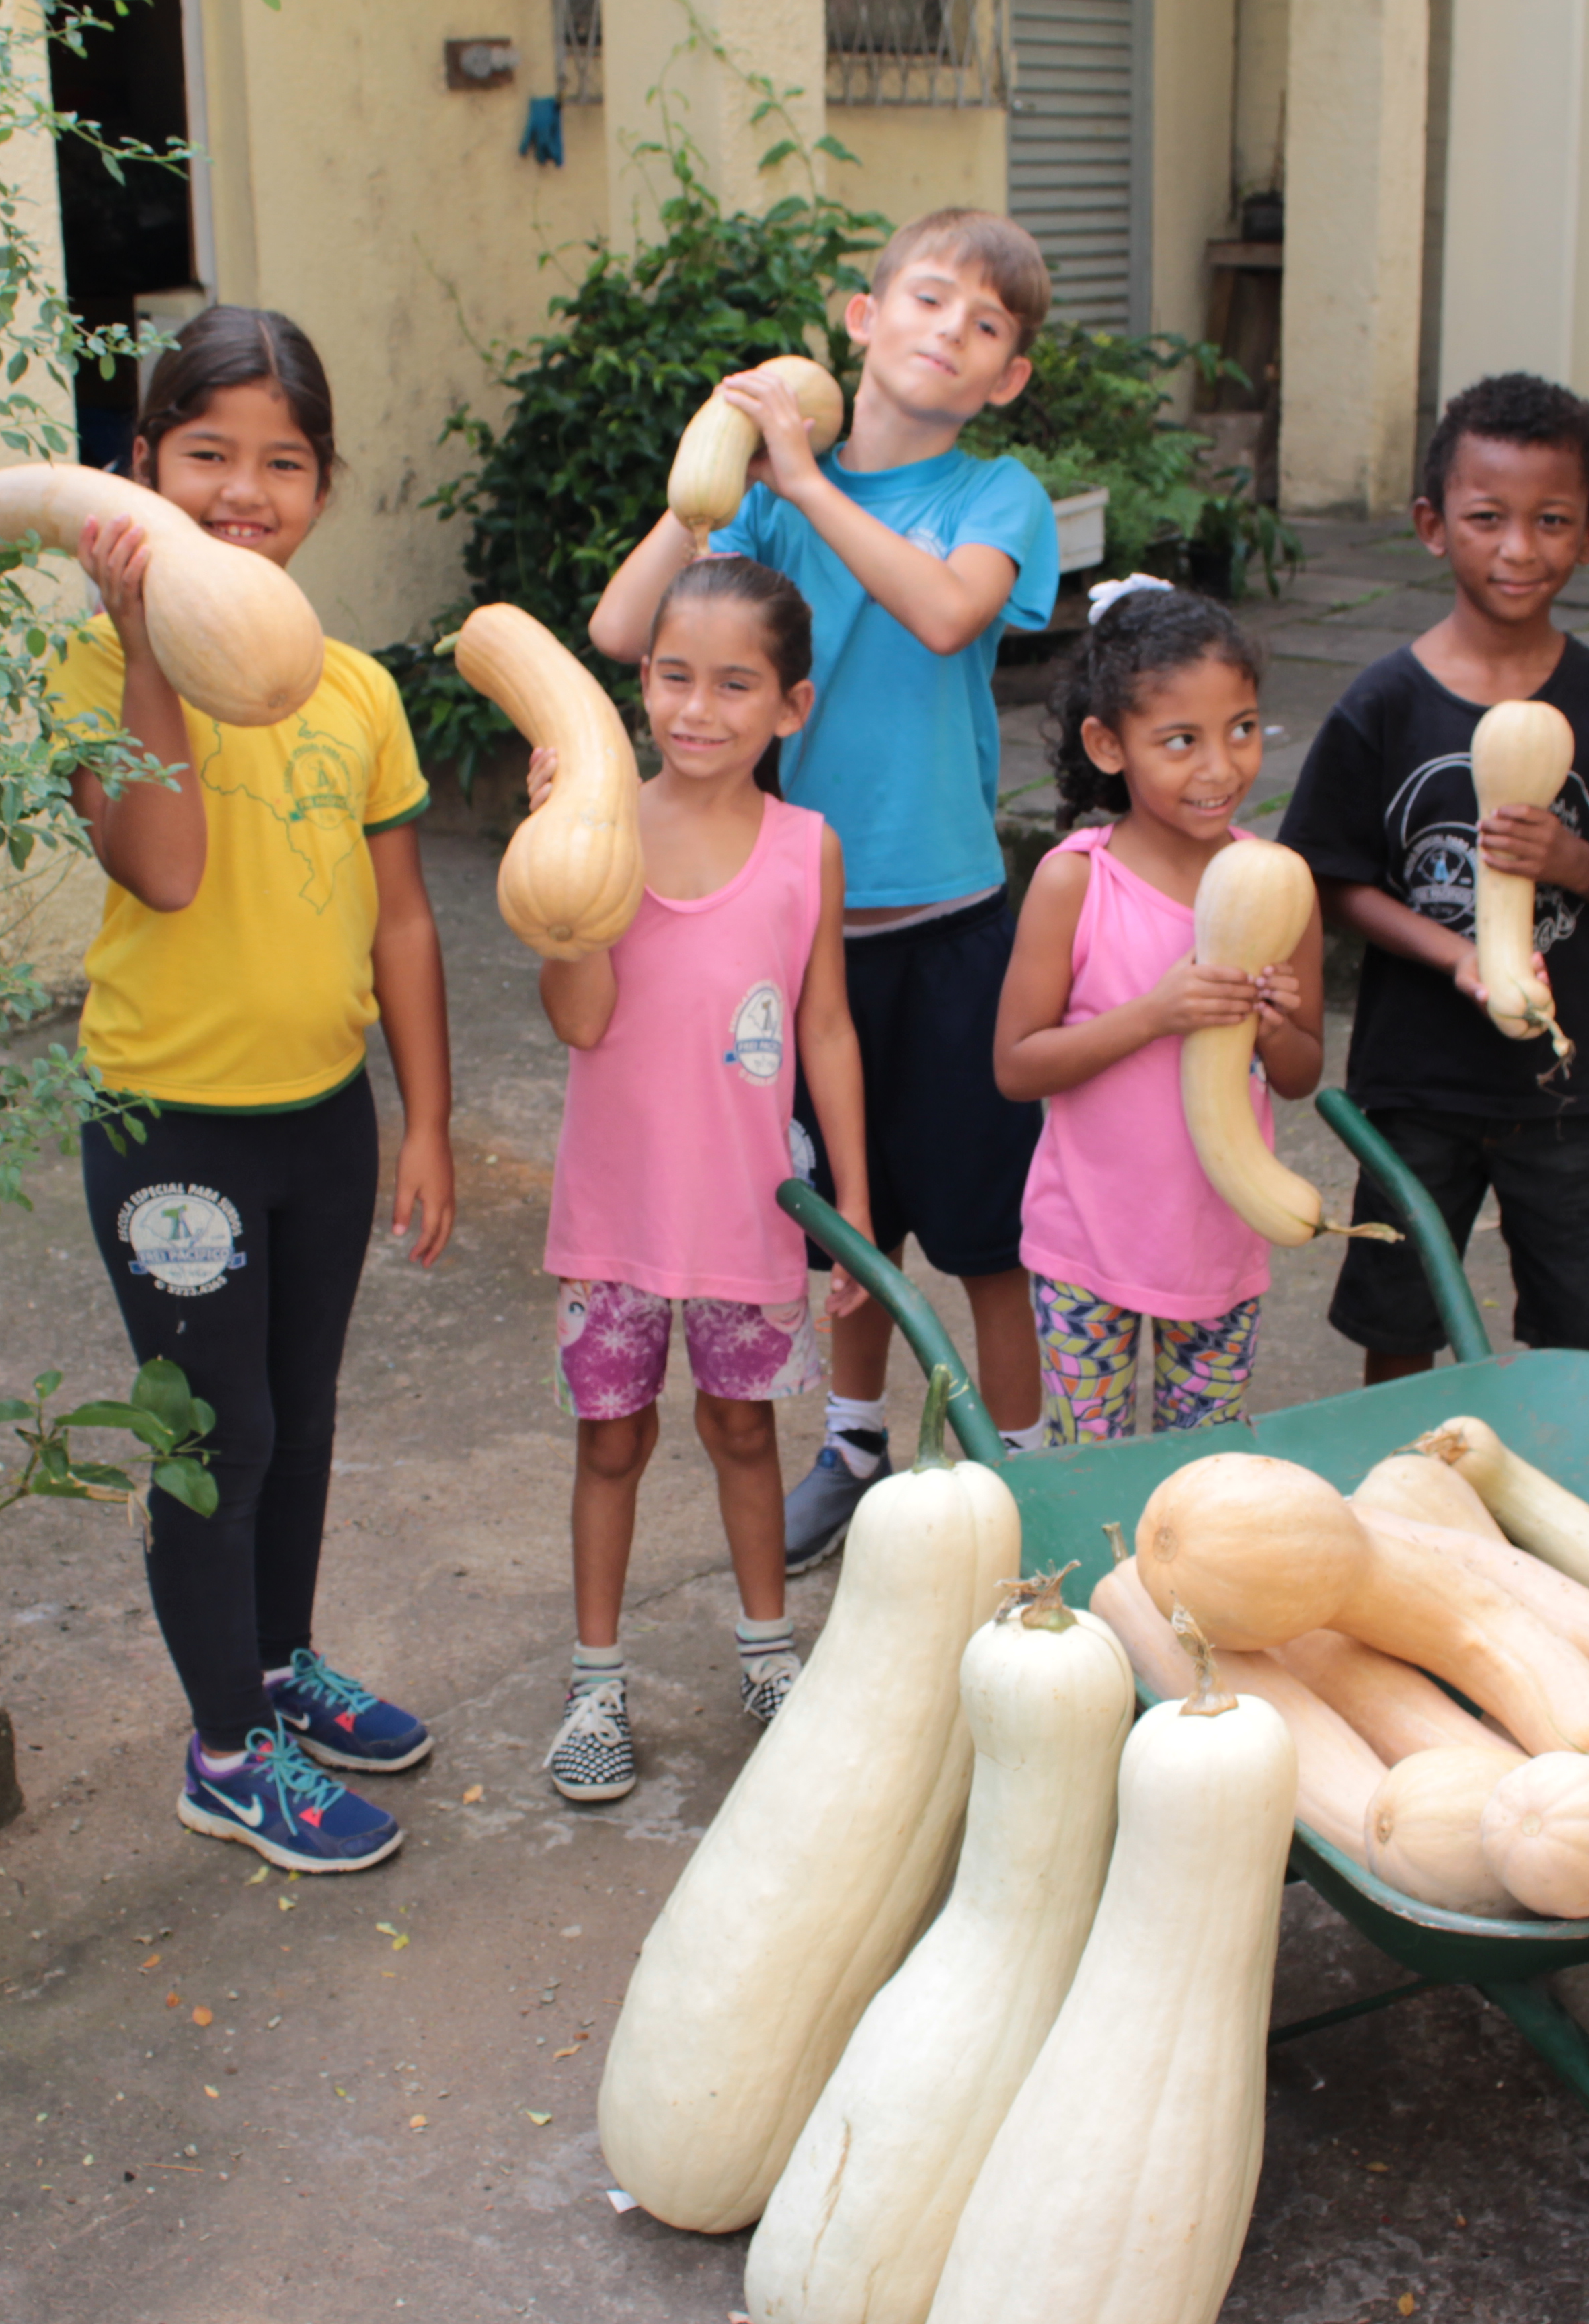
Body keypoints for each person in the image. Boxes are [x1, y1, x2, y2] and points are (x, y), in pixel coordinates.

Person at [587, 208, 1062, 1572]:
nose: (948, 335)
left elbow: (946, 613)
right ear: (861, 320)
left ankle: (1022, 1472)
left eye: (986, 328)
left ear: (1005, 378)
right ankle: (856, 1446)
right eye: (925, 301)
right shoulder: (759, 496)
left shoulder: (994, 495)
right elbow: (626, 634)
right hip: (790, 934)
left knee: (984, 1228)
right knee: (852, 1223)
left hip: (948, 920)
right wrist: (718, 477)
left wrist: (804, 485)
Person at [53, 307, 456, 1873]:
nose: (244, 487)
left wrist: (423, 1113)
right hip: (173, 1134)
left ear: (321, 486)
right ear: (141, 465)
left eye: (281, 460)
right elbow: (159, 863)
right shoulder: (93, 664)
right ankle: (225, 1753)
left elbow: (406, 915)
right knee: (212, 1437)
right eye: (206, 451)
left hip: (321, 1120)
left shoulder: (353, 687)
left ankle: (277, 1673)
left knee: (294, 1421)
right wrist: (150, 633)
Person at [1277, 372, 1589, 1382]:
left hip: (1568, 1083)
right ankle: (1405, 1492)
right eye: (1487, 518)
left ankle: (1557, 1486)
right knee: (1402, 1311)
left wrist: (1573, 861)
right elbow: (1331, 886)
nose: (1520, 548)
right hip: (1415, 1076)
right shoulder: (1382, 705)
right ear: (1434, 525)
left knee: (1577, 1328)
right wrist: (1460, 956)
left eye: (1551, 520)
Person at [533, 559, 872, 1804]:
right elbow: (577, 1020)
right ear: (640, 683)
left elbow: (826, 1029)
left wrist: (856, 1207)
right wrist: (559, 875)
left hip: (747, 1212)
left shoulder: (805, 849)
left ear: (790, 707)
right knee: (608, 1444)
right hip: (613, 1216)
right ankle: (594, 1686)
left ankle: (767, 1657)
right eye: (674, 677)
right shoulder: (598, 823)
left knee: (744, 1432)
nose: (697, 709)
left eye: (736, 685)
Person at [993, 578, 1319, 1442]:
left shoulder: (1279, 886)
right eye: (1181, 741)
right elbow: (1015, 1065)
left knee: (1204, 1484)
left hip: (1219, 1248)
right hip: (1084, 1253)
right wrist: (1155, 1013)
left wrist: (1278, 1026)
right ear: (1108, 745)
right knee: (1084, 1468)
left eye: (1242, 730)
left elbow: (1300, 1075)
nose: (1221, 767)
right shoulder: (1076, 881)